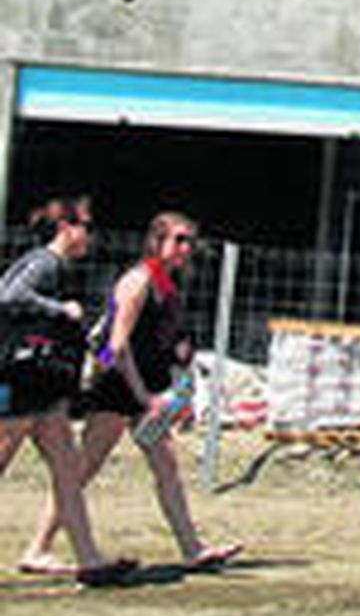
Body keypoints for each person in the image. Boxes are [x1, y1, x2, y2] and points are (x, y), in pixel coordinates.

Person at [23, 210, 241, 573]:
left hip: (147, 394)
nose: (186, 247)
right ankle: (38, 547)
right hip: (118, 389)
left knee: (166, 466)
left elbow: (162, 340)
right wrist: (144, 398)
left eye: (190, 240)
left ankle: (193, 548)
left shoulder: (166, 286)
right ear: (157, 242)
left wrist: (176, 367)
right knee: (81, 470)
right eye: (178, 239)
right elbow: (116, 346)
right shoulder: (137, 282)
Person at [0, 197, 136, 586]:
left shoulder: (53, 265)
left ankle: (84, 559)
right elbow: (7, 296)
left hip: (44, 387)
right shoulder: (44, 262)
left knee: (67, 471)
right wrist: (62, 310)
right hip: (24, 380)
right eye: (87, 227)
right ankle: (76, 556)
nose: (91, 236)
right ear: (67, 229)